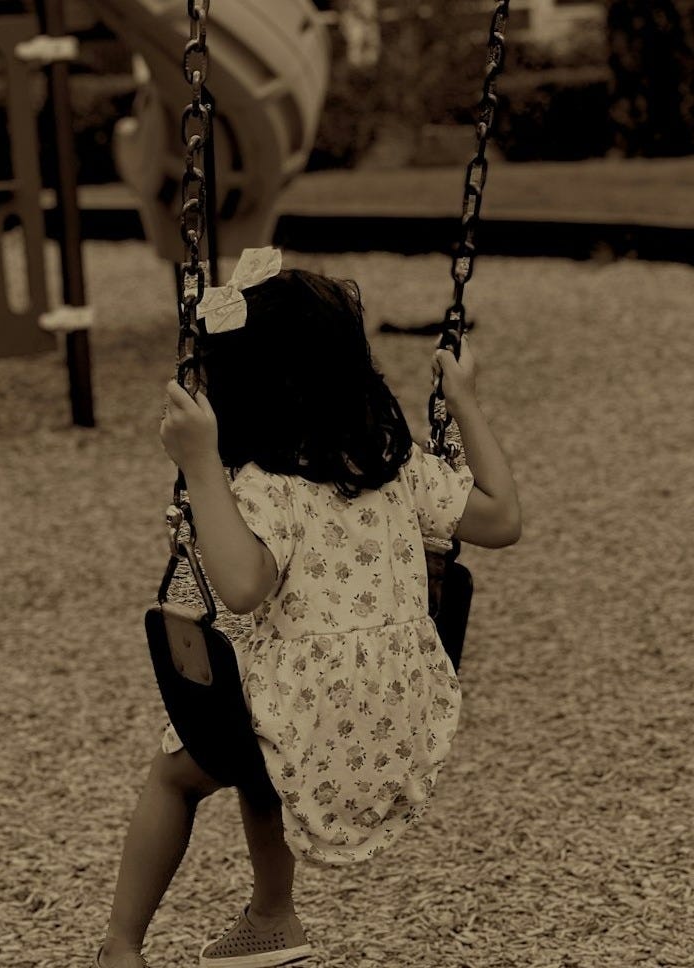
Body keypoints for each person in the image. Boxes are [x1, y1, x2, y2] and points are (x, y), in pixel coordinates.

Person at [96, 248, 521, 968]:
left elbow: (241, 587)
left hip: (312, 718)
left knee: (181, 768)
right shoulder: (397, 465)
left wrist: (202, 464)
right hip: (401, 713)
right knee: (261, 738)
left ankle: (120, 946)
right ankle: (271, 918)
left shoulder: (269, 486)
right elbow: (502, 518)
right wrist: (467, 404)